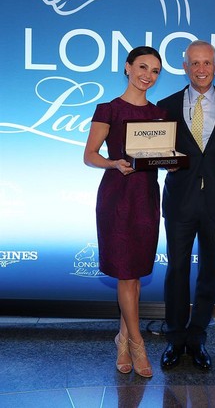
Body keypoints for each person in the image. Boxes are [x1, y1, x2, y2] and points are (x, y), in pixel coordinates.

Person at [157, 40, 215, 370]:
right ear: (185, 67)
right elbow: (157, 150)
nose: (201, 69)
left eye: (207, 63)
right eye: (194, 63)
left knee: (210, 271)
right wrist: (160, 160)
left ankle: (197, 336)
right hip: (179, 200)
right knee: (176, 269)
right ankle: (176, 338)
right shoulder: (165, 105)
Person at [83, 46, 166, 378]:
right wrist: (113, 163)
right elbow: (89, 155)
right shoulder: (109, 109)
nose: (148, 75)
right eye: (143, 67)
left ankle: (122, 338)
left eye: (155, 70)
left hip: (147, 195)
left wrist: (171, 162)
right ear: (127, 68)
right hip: (117, 196)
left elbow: (163, 156)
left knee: (135, 273)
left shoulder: (160, 115)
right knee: (125, 273)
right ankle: (136, 343)